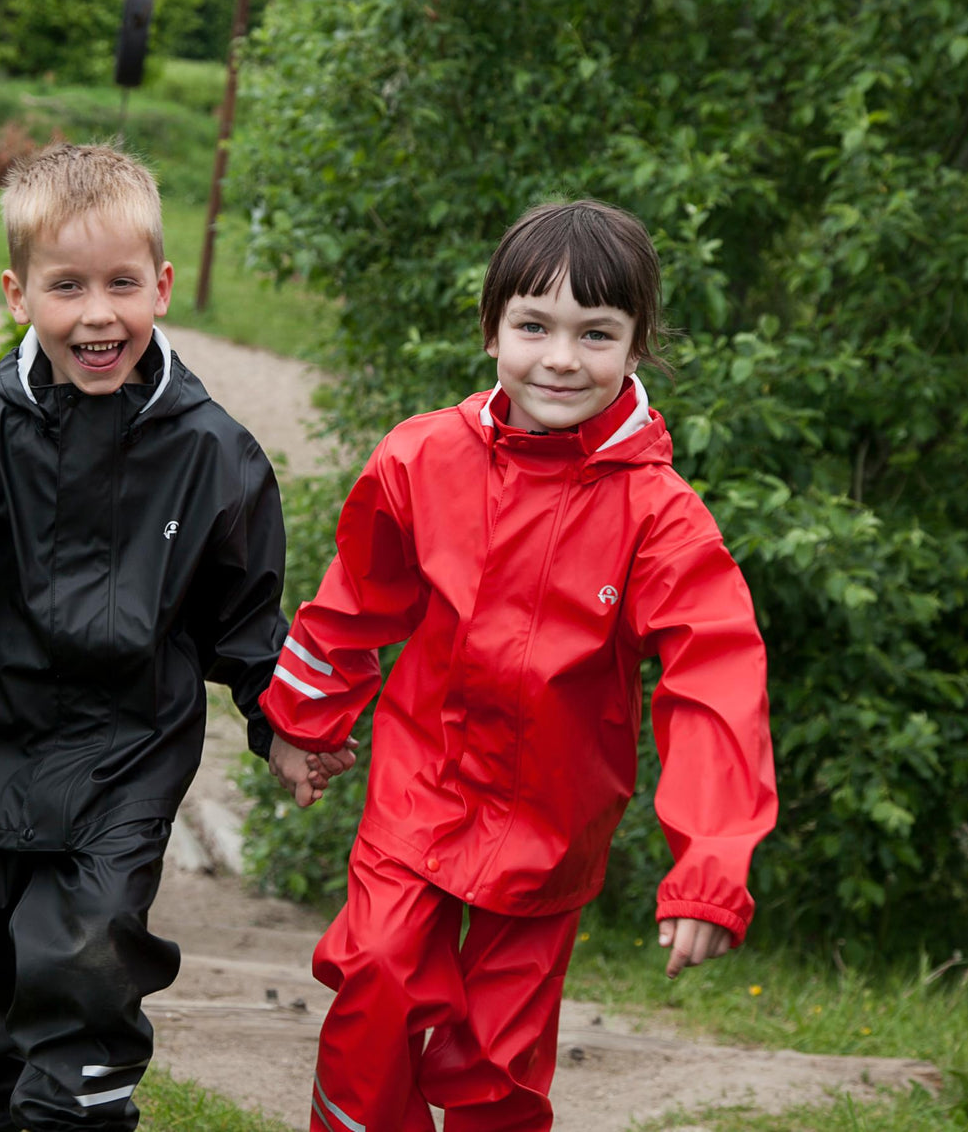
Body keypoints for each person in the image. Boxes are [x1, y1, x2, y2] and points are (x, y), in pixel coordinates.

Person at [0, 142, 318, 1131]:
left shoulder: (214, 453)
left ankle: (77, 1109)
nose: (98, 312)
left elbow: (247, 615)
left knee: (85, 955)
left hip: (130, 752)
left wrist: (284, 723)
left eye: (122, 283)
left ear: (162, 286)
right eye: (67, 285)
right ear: (18, 294)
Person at [262, 199, 778, 1131]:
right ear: (492, 328)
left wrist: (709, 863)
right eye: (534, 325)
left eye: (596, 333)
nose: (561, 358)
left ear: (635, 345)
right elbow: (355, 599)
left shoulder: (659, 517)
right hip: (422, 791)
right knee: (374, 978)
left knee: (496, 1062)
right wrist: (303, 723)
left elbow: (716, 680)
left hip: (552, 821)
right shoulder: (421, 457)